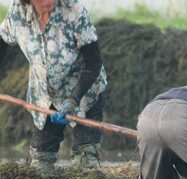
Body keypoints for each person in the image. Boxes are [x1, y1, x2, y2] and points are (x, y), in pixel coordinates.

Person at [0, 0, 107, 169]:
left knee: (86, 164)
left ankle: (87, 162)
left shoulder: (74, 11)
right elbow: (3, 44)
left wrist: (73, 100)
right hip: (45, 97)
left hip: (84, 93)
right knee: (40, 164)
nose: (48, 1)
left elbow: (94, 63)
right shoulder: (18, 13)